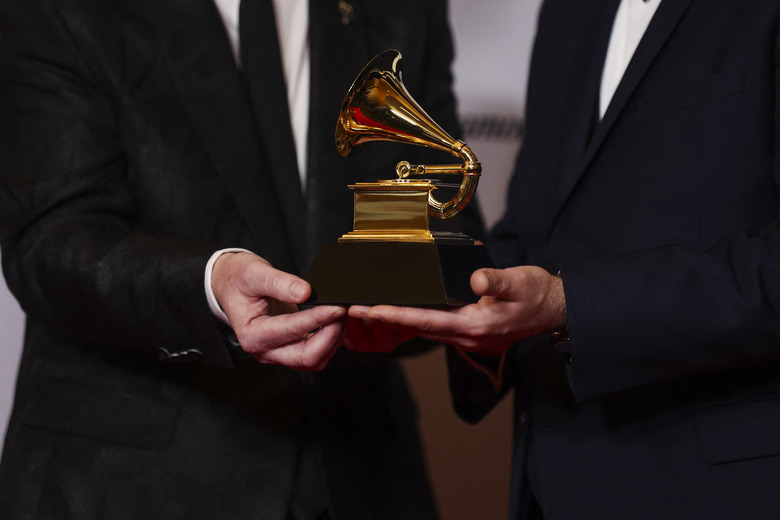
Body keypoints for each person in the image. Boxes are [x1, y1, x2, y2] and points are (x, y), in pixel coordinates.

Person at [0, 0, 482, 518]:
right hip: (130, 482)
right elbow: (51, 239)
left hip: (360, 473)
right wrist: (208, 284)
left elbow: (442, 210)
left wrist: (422, 295)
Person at [350, 0, 780, 518]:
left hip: (723, 490)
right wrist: (435, 300)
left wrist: (567, 302)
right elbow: (538, 230)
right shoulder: (568, 10)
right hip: (552, 482)